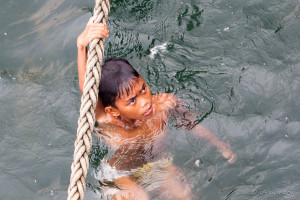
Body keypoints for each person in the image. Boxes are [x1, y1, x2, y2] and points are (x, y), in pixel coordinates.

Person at [77, 16, 237, 200]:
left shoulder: (165, 104)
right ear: (113, 110)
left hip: (157, 164)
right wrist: (82, 47)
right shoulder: (109, 121)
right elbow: (87, 91)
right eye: (132, 101)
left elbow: (192, 125)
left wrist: (218, 144)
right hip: (120, 175)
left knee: (186, 196)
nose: (145, 101)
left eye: (143, 89)